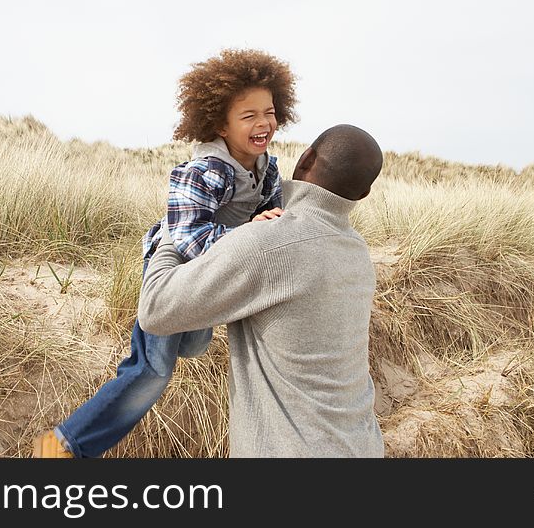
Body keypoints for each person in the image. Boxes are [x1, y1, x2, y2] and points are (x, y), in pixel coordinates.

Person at [34, 48, 299, 458]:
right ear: (219, 125)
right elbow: (189, 236)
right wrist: (247, 233)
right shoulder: (204, 170)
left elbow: (272, 215)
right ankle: (61, 446)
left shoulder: (267, 167)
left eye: (269, 111)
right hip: (173, 265)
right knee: (153, 370)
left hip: (215, 264)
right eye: (248, 116)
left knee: (192, 345)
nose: (263, 123)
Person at [137, 124, 385, 457]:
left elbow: (155, 309)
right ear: (362, 194)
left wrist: (175, 226)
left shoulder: (268, 244)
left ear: (306, 158)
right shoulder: (357, 252)